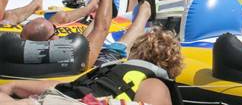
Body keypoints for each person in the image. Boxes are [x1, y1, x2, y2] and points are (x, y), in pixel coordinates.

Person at [0, 27, 183, 105]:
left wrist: (13, 86)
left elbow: (58, 88)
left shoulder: (150, 82)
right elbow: (60, 87)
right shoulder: (152, 83)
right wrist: (12, 86)